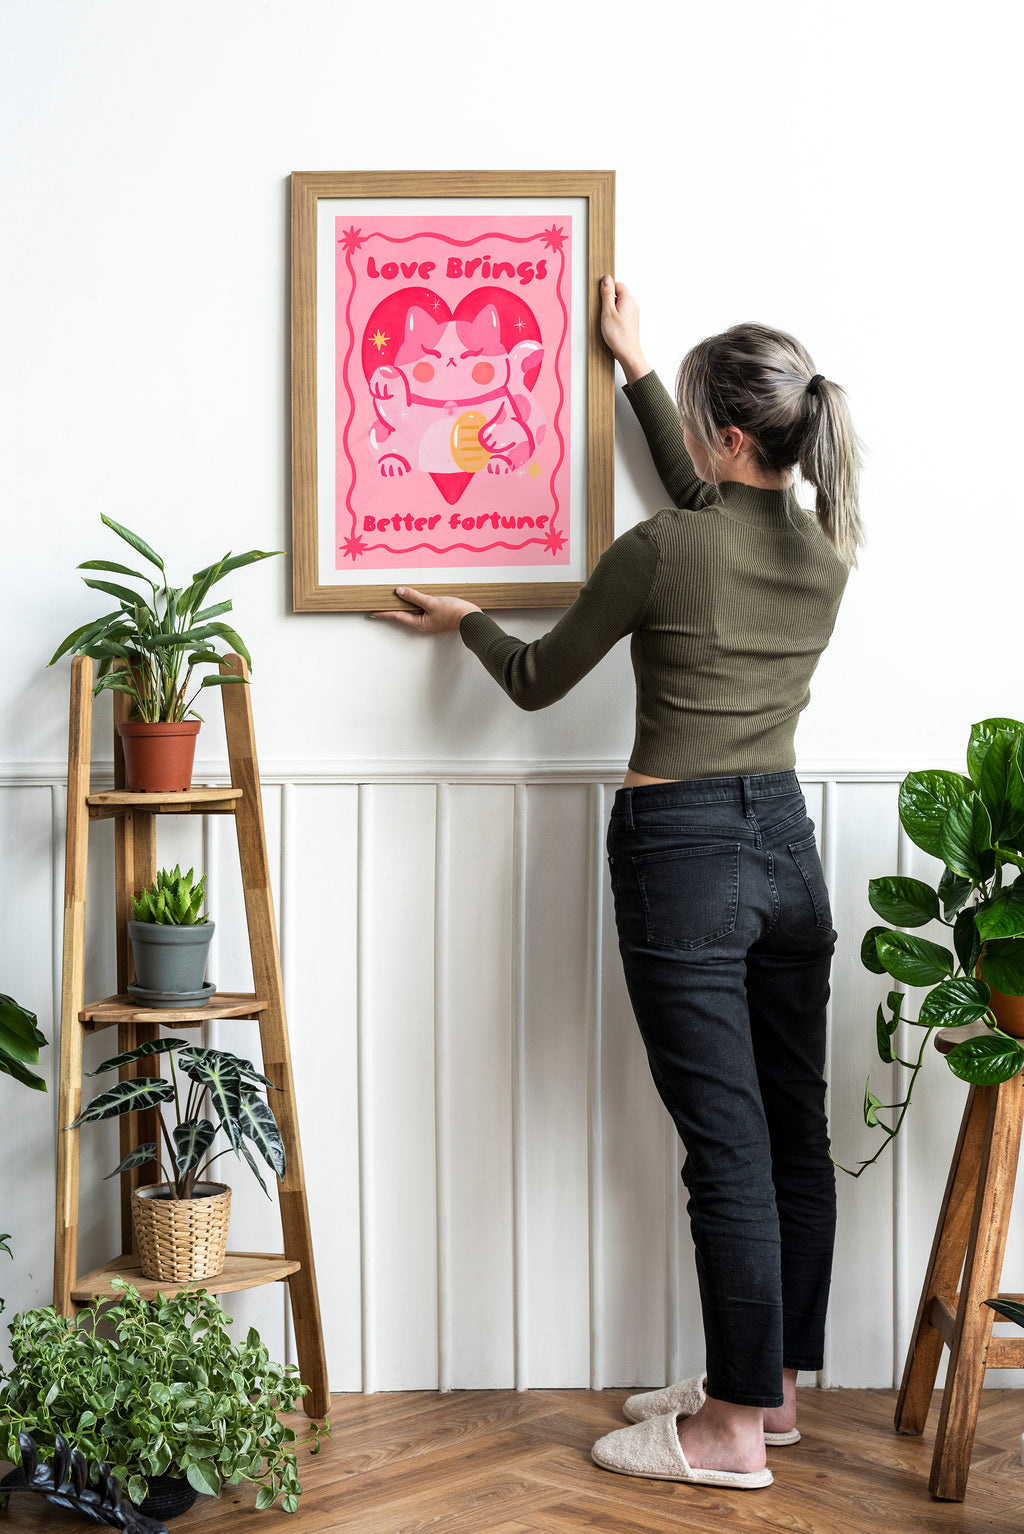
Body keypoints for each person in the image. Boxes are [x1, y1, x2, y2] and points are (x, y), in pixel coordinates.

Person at [373, 276, 862, 1491]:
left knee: (728, 1148)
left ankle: (729, 1432)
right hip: (788, 853)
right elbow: (714, 507)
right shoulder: (823, 550)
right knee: (788, 1134)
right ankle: (778, 1388)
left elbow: (537, 679)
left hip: (683, 855)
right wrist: (638, 369)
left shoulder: (660, 550)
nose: (689, 445)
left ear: (732, 437)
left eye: (698, 422)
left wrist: (472, 616)